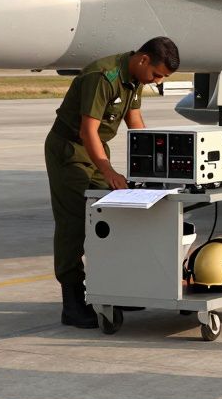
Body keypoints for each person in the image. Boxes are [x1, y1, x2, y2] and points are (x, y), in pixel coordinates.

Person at [45, 37, 179, 328]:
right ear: (143, 60)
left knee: (115, 216)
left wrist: (153, 168)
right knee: (74, 222)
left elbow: (136, 122)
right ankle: (73, 303)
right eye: (157, 75)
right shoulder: (103, 77)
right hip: (69, 152)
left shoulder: (134, 80)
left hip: (95, 153)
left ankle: (116, 289)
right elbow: (87, 131)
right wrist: (109, 172)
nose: (157, 82)